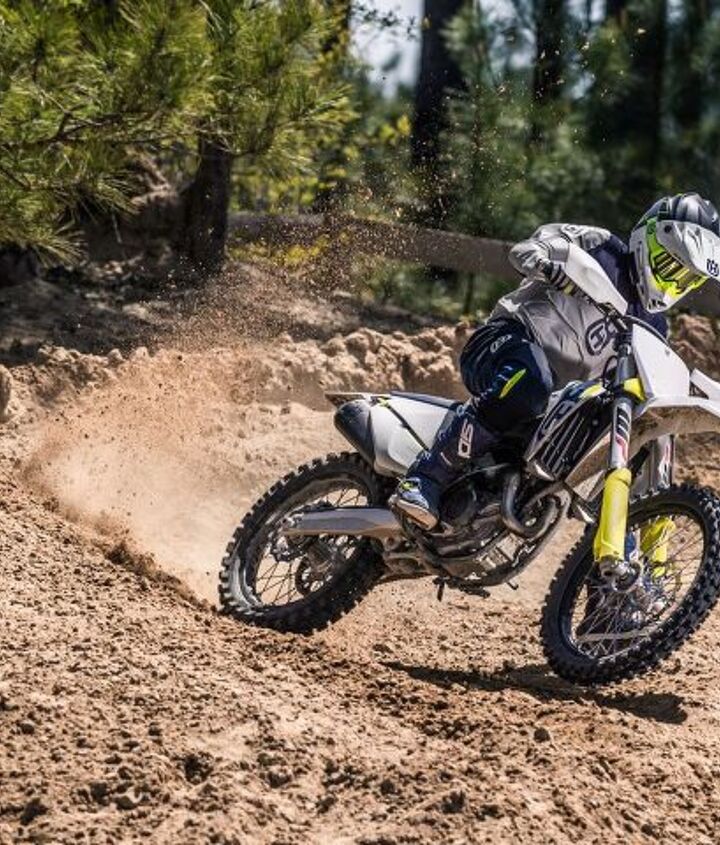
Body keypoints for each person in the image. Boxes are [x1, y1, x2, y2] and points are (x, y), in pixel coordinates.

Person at [391, 192, 720, 529]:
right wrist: (547, 264)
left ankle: (620, 534)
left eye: (687, 278)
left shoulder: (655, 326)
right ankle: (425, 477)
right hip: (505, 344)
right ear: (647, 238)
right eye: (670, 266)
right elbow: (530, 247)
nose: (674, 282)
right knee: (532, 381)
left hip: (558, 406)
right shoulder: (601, 248)